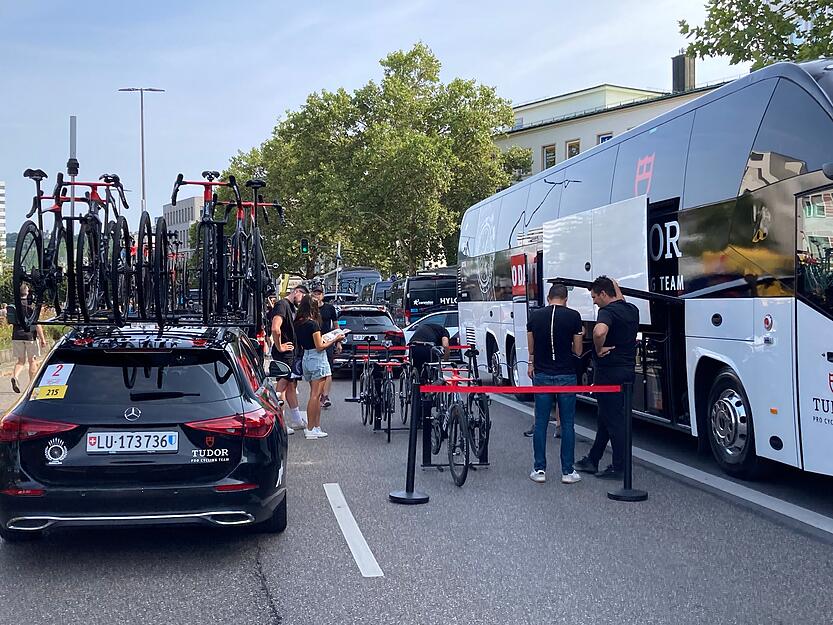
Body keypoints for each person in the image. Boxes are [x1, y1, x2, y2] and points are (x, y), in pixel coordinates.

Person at [575, 276, 639, 480]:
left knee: (614, 421)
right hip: (628, 371)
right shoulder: (631, 310)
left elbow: (599, 331)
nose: (594, 302)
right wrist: (614, 285)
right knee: (605, 417)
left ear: (603, 294)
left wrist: (598, 347)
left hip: (609, 372)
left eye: (594, 297)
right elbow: (619, 298)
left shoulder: (607, 312)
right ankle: (593, 459)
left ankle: (619, 466)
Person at [526, 283, 584, 484]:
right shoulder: (573, 316)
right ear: (566, 299)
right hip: (566, 373)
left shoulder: (535, 316)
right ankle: (567, 471)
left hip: (542, 373)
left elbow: (531, 347)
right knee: (567, 424)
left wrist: (532, 362)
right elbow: (578, 350)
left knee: (540, 422)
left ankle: (539, 469)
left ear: (548, 298)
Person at [294, 294, 347, 439]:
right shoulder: (313, 324)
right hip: (317, 358)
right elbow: (319, 347)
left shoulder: (298, 322)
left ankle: (316, 427)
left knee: (315, 395)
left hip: (306, 356)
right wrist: (336, 338)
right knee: (315, 395)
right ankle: (311, 428)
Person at [266, 285, 309, 431]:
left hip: (292, 352)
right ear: (296, 292)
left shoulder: (290, 306)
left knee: (291, 384)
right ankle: (280, 422)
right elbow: (275, 328)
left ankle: (296, 419)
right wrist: (280, 346)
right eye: (302, 297)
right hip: (285, 353)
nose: (301, 302)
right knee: (282, 385)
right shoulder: (282, 305)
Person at [409, 320, 450, 426]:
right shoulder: (444, 331)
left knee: (419, 378)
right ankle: (430, 392)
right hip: (428, 348)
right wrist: (445, 361)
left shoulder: (426, 326)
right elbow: (445, 346)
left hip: (414, 347)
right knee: (433, 372)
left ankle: (418, 414)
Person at [10, 284, 47, 394]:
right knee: (32, 361)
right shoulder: (31, 305)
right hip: (30, 336)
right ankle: (31, 386)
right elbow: (36, 324)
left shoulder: (15, 305)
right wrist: (42, 339)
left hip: (16, 335)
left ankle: (15, 376)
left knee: (20, 361)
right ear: (27, 292)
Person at [311, 284, 338, 409]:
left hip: (327, 341)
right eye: (315, 293)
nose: (317, 296)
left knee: (328, 370)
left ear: (323, 295)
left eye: (319, 293)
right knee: (317, 371)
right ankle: (318, 394)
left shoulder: (330, 308)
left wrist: (338, 342)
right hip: (313, 342)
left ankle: (325, 396)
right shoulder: (309, 309)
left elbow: (336, 325)